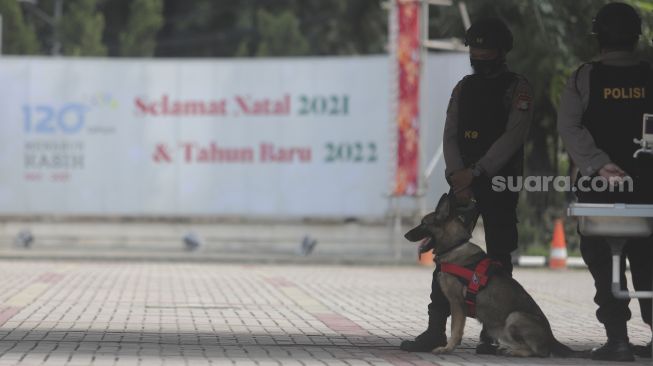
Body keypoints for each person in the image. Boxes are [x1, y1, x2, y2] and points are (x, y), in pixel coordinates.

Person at [400, 17, 533, 353]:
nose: (478, 54)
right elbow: (450, 133)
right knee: (446, 255)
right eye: (474, 48)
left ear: (501, 51)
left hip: (497, 181)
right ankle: (435, 329)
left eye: (484, 48)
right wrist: (458, 174)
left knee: (500, 257)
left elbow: (512, 137)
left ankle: (493, 335)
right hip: (462, 184)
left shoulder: (518, 88)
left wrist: (474, 172)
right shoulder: (463, 87)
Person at [557, 2, 653, 362]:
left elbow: (569, 126)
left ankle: (618, 341)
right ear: (636, 37)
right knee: (648, 263)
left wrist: (599, 165)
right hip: (648, 188)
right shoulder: (650, 74)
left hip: (599, 190)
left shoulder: (584, 76)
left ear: (598, 38)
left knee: (604, 262)